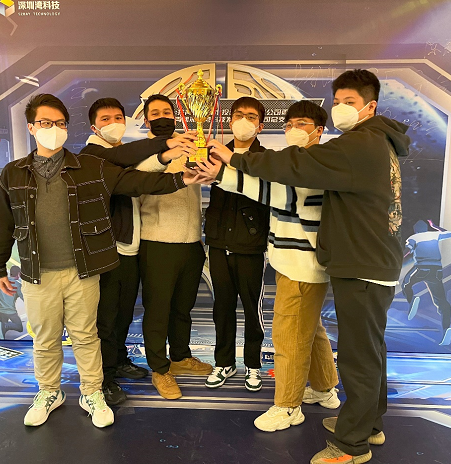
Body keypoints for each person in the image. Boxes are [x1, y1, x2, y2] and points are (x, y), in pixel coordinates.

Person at [204, 69, 410, 464]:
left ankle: (350, 444)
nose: (341, 108)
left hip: (359, 263)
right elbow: (286, 180)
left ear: (370, 107)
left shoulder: (358, 144)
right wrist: (228, 172)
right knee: (367, 352)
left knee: (357, 358)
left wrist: (233, 160)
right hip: (363, 260)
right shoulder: (371, 142)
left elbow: (292, 169)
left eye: (350, 102)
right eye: (338, 101)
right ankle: (367, 423)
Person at [0, 93, 204, 429]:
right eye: (45, 122)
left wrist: (182, 179)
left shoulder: (88, 167)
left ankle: (92, 392)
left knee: (87, 336)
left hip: (83, 269)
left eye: (59, 123)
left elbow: (136, 182)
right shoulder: (13, 173)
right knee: (44, 340)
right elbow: (3, 222)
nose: (53, 129)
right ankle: (48, 391)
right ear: (31, 127)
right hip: (36, 272)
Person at [199, 99, 340, 431]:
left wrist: (221, 175)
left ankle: (288, 406)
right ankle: (325, 389)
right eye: (289, 124)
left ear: (319, 130)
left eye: (302, 124)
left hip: (302, 264)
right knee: (311, 329)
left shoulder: (318, 164)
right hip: (292, 261)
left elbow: (277, 196)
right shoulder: (296, 161)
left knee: (289, 336)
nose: (293, 129)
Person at [80, 97, 197, 406]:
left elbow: (129, 161)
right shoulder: (93, 154)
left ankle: (118, 360)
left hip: (129, 248)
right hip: (107, 249)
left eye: (118, 117)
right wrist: (170, 155)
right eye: (106, 119)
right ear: (93, 127)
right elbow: (135, 175)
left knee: (123, 313)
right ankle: (103, 379)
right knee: (106, 317)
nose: (114, 123)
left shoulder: (122, 153)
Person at [137, 94, 213, 400]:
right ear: (146, 120)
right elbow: (139, 179)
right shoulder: (141, 151)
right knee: (158, 311)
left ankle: (180, 357)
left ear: (176, 115)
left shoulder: (190, 146)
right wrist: (167, 155)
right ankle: (159, 368)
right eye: (155, 113)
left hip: (191, 242)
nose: (162, 117)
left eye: (167, 112)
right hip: (157, 243)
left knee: (183, 309)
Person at [203, 96, 270, 392]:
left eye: (251, 116)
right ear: (230, 122)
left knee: (252, 310)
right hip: (219, 243)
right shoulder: (213, 153)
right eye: (239, 115)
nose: (244, 121)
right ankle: (224, 362)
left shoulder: (266, 158)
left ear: (260, 125)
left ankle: (253, 364)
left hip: (251, 245)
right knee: (222, 307)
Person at [402, 219, 451, 346]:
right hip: (436, 271)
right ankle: (447, 328)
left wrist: (398, 258)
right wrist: (435, 226)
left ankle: (412, 299)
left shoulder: (413, 237)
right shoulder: (434, 234)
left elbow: (407, 250)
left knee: (406, 284)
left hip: (422, 268)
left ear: (416, 230)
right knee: (441, 301)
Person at [0, 265, 25, 339]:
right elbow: (23, 298)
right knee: (19, 327)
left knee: (2, 329)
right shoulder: (18, 285)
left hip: (0, 310)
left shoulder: (1, 281)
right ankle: (5, 325)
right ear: (19, 273)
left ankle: (3, 328)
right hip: (11, 311)